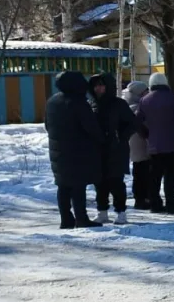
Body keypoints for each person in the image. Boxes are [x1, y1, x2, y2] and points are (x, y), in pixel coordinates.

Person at [45, 71, 104, 229]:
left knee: (63, 185)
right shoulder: (78, 102)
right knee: (78, 186)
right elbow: (91, 127)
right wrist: (102, 139)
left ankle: (66, 219)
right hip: (78, 151)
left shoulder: (52, 101)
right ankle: (81, 218)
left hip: (58, 150)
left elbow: (47, 126)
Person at [137, 72, 174, 214]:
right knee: (171, 175)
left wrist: (146, 135)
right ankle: (171, 204)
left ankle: (155, 204)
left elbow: (137, 122)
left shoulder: (144, 100)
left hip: (154, 144)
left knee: (155, 175)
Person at [89, 73, 137, 224]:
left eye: (102, 85)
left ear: (108, 86)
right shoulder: (91, 104)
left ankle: (121, 212)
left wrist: (121, 136)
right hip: (97, 150)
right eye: (96, 85)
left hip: (116, 149)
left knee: (116, 182)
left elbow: (133, 123)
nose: (99, 88)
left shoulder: (118, 104)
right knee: (99, 182)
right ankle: (102, 211)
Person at [123, 81, 152, 210]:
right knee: (143, 173)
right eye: (145, 91)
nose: (148, 93)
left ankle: (141, 198)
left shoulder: (129, 105)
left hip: (135, 145)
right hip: (141, 144)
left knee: (139, 172)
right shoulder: (138, 107)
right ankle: (142, 198)